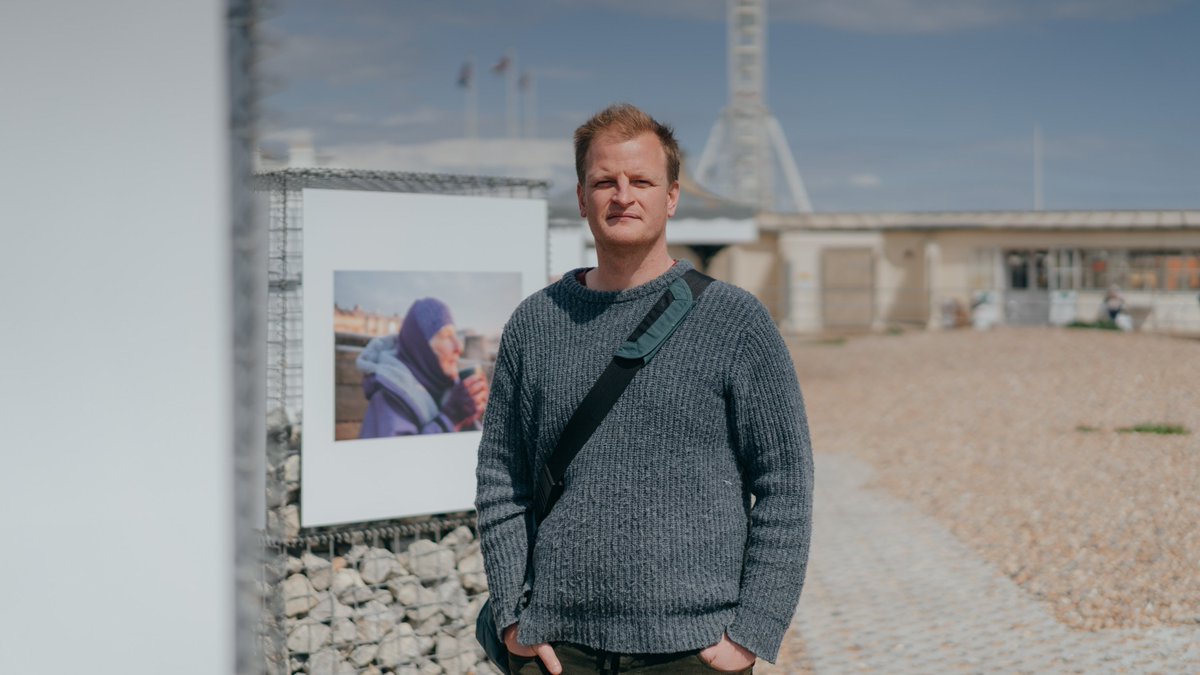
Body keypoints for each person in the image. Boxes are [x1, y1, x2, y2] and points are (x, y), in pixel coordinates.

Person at [475, 104, 813, 674]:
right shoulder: (535, 323)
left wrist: (752, 631)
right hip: (558, 647)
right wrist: (512, 616)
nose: (623, 196)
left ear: (672, 196)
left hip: (691, 649)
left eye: (642, 181)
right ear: (581, 198)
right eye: (604, 181)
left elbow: (786, 483)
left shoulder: (736, 322)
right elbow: (501, 477)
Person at [357, 297, 488, 438]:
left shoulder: (443, 387)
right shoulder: (388, 400)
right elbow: (400, 452)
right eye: (446, 336)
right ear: (422, 348)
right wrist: (450, 418)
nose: (459, 347)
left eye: (456, 336)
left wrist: (472, 417)